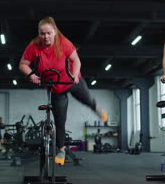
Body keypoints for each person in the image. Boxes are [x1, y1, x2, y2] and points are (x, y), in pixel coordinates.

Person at [19, 16, 108, 165]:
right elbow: (23, 64)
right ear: (39, 34)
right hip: (55, 86)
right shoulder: (34, 46)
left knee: (86, 99)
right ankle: (61, 149)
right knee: (60, 120)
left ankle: (97, 109)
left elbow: (76, 60)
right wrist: (31, 75)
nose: (45, 37)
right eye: (42, 34)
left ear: (54, 32)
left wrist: (74, 75)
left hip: (71, 80)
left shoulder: (64, 43)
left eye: (48, 33)